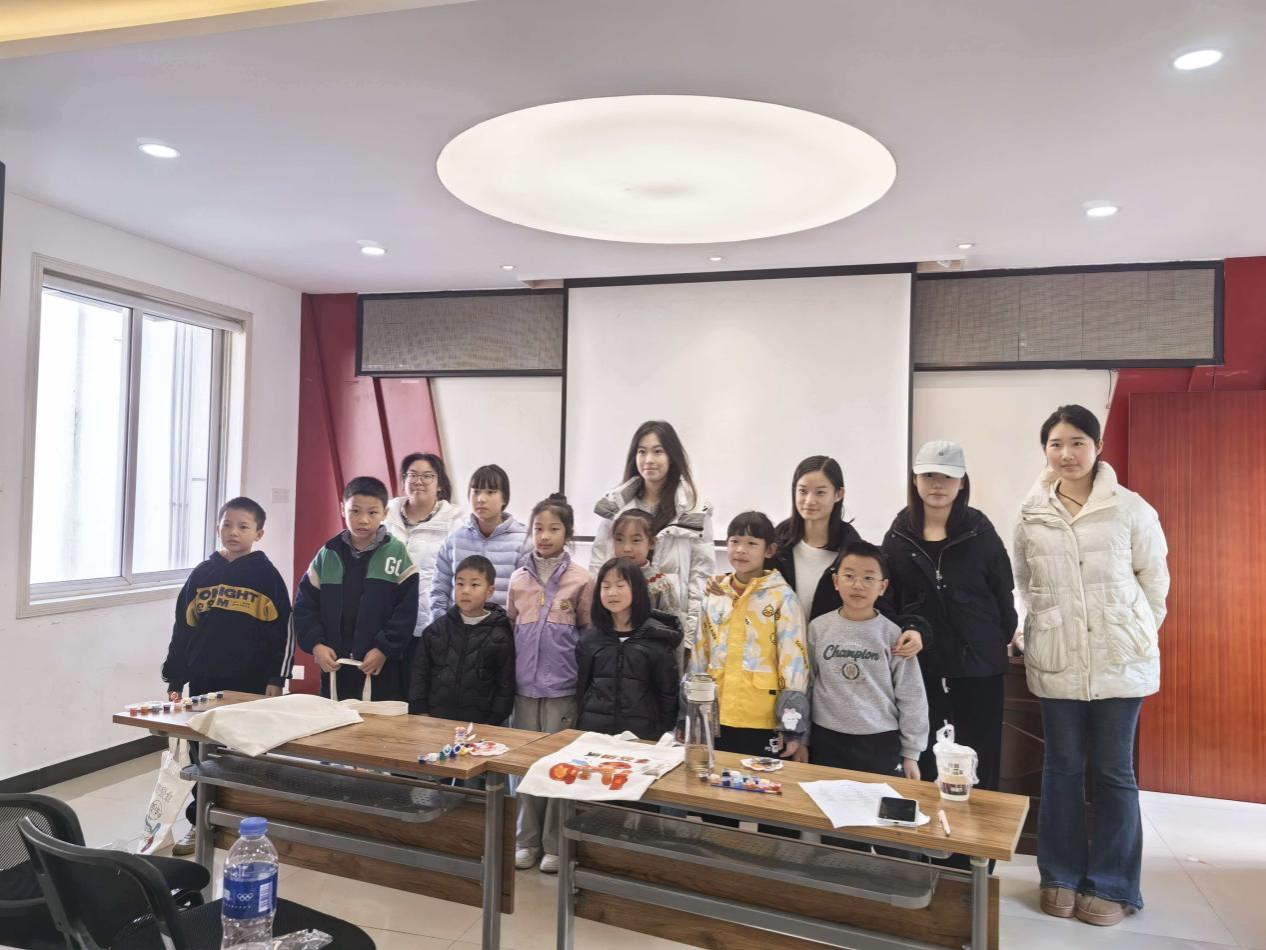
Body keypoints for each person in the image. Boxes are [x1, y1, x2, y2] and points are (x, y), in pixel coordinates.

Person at [1014, 405, 1169, 927]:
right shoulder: (1031, 514)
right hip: (1058, 658)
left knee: (1113, 771)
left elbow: (1155, 581)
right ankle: (1059, 874)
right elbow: (1025, 582)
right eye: (1056, 444)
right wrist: (1041, 626)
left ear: (1098, 447)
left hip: (1119, 660)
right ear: (1045, 450)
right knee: (1060, 769)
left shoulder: (1131, 508)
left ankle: (1114, 884)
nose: (1067, 454)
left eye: (1078, 442)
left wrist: (1133, 630)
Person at [879, 441, 1017, 797]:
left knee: (979, 761)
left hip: (979, 670)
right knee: (925, 759)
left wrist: (989, 643)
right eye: (928, 475)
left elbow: (1004, 595)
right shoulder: (896, 538)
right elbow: (889, 604)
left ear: (962, 482)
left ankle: (979, 834)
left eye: (947, 476)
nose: (937, 484)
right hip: (922, 669)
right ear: (915, 480)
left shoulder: (981, 532)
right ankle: (929, 832)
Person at [161, 496, 293, 855]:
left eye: (243, 526)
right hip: (204, 682)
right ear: (217, 526)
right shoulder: (202, 574)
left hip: (249, 685)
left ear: (259, 533)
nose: (234, 532)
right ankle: (200, 821)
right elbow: (183, 627)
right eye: (227, 525)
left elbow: (284, 631)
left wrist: (277, 679)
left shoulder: (267, 576)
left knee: (244, 754)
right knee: (201, 754)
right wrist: (175, 676)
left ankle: (247, 821)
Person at [509, 494, 594, 875]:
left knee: (560, 767)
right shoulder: (518, 579)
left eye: (553, 529)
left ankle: (555, 844)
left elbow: (588, 634)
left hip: (563, 689)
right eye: (538, 528)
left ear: (567, 533)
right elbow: (512, 626)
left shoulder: (581, 579)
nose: (544, 536)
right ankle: (525, 841)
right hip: (524, 689)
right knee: (525, 768)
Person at [773, 455, 929, 656]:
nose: (809, 500)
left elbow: (881, 608)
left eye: (820, 492)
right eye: (802, 491)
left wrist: (913, 628)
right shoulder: (775, 546)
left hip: (833, 661)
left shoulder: (855, 552)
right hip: (777, 660)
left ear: (838, 494)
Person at [688, 511, 808, 760]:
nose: (741, 550)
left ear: (769, 550)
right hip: (715, 713)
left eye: (752, 543)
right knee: (715, 778)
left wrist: (791, 725)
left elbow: (793, 662)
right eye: (735, 541)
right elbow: (699, 655)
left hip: (762, 719)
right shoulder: (714, 595)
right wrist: (689, 712)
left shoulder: (782, 597)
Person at [589, 421, 714, 656]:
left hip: (669, 626)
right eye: (642, 451)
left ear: (672, 457)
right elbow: (599, 566)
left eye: (658, 451)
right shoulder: (616, 507)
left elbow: (701, 576)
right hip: (618, 627)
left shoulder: (694, 510)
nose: (648, 460)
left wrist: (690, 637)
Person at [805, 542, 928, 779]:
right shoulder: (818, 628)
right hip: (826, 739)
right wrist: (802, 739)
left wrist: (911, 754)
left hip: (879, 742)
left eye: (869, 578)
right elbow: (807, 685)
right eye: (849, 576)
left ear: (883, 587)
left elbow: (912, 695)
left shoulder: (894, 635)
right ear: (836, 581)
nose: (858, 585)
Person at [294, 476, 419, 702]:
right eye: (355, 511)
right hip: (335, 666)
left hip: (379, 667)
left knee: (377, 723)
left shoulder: (397, 554)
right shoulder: (327, 554)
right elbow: (305, 605)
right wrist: (317, 645)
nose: (363, 520)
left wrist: (383, 649)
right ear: (343, 509)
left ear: (385, 513)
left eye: (372, 512)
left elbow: (406, 611)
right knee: (334, 721)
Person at [576, 557, 681, 740]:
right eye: (605, 587)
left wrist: (661, 733)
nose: (612, 593)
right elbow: (582, 689)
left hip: (642, 736)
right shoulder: (590, 640)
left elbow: (668, 694)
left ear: (637, 589)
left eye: (620, 585)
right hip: (595, 734)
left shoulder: (656, 639)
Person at [429, 464, 527, 617]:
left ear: (504, 498)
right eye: (475, 492)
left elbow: (528, 598)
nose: (481, 499)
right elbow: (439, 590)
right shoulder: (454, 540)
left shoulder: (523, 542)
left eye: (490, 492)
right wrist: (442, 625)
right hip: (458, 629)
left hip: (503, 629)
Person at [385, 452, 463, 635]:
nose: (418, 481)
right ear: (404, 480)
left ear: (440, 484)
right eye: (412, 475)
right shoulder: (385, 515)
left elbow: (458, 575)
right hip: (386, 620)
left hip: (430, 624)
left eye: (427, 476)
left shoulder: (455, 522)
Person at [609, 509, 684, 667]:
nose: (626, 548)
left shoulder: (660, 585)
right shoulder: (606, 581)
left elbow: (673, 634)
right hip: (609, 664)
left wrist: (672, 673)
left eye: (636, 540)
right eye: (619, 540)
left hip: (648, 667)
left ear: (651, 543)